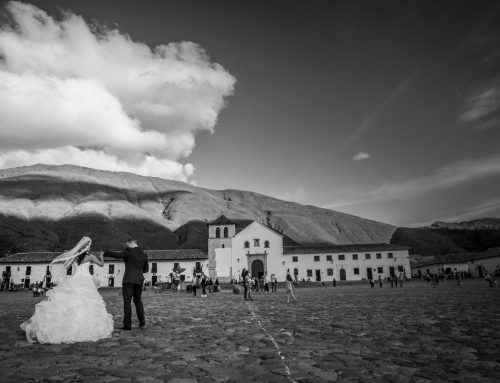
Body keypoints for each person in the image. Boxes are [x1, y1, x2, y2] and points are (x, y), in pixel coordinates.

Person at [20, 237, 113, 344]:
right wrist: (101, 256)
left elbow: (67, 266)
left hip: (75, 279)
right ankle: (82, 327)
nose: (91, 249)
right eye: (90, 247)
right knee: (85, 303)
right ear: (87, 248)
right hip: (86, 280)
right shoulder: (91, 256)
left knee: (70, 301)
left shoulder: (76, 256)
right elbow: (101, 265)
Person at [104, 238, 149, 331]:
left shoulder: (128, 251)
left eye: (127, 245)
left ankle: (127, 326)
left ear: (131, 243)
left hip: (129, 280)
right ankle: (142, 322)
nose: (126, 246)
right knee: (138, 301)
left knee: (127, 303)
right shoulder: (144, 254)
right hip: (139, 280)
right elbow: (146, 270)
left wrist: (106, 252)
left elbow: (117, 255)